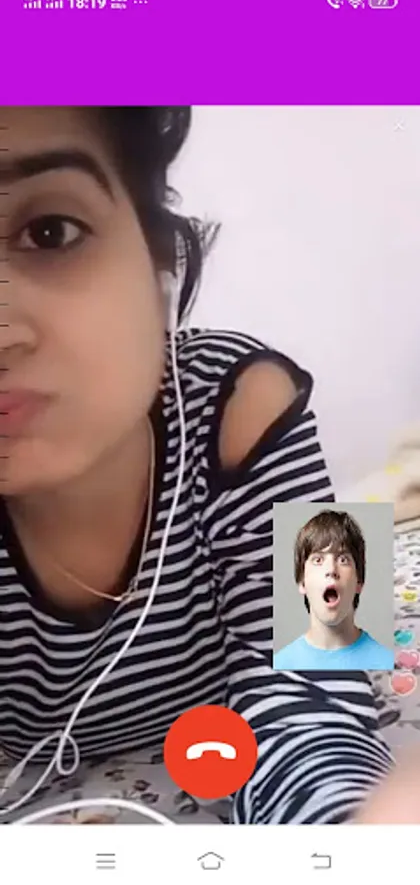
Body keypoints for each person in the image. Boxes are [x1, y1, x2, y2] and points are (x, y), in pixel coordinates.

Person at [0, 106, 394, 825]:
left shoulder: (253, 398)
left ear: (158, 262)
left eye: (49, 231)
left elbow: (328, 669)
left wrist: (348, 845)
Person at [273, 510, 394, 671]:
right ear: (302, 582)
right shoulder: (280, 666)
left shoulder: (386, 664)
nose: (331, 569)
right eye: (318, 560)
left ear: (359, 582)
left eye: (343, 560)